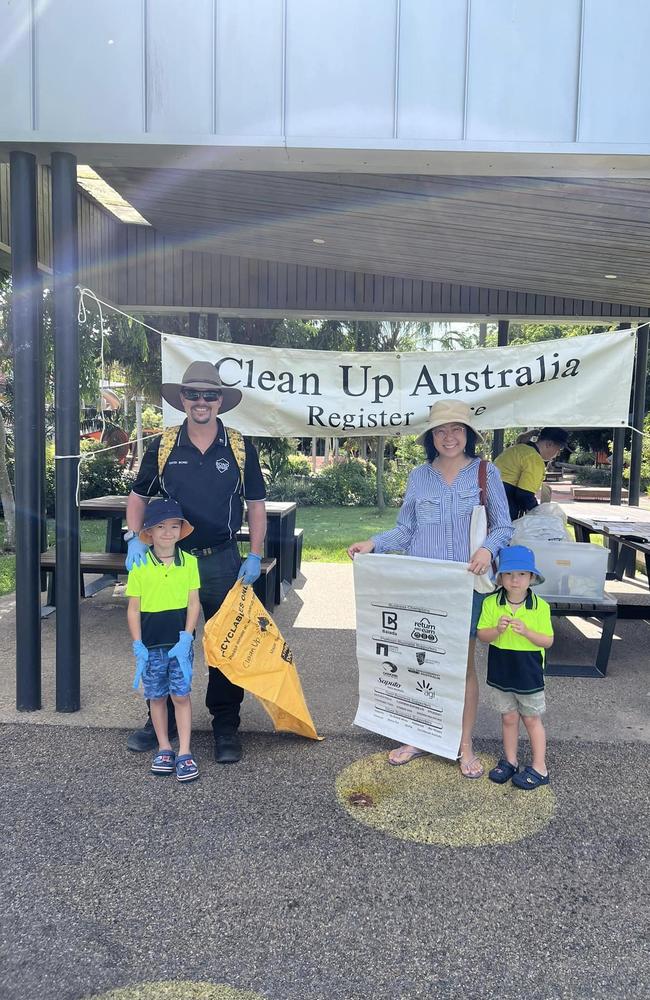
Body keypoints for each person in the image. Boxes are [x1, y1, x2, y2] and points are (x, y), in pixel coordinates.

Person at [347, 400, 512, 777]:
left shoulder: (487, 473)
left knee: (462, 665)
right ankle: (418, 735)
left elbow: (504, 526)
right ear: (431, 437)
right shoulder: (418, 477)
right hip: (424, 588)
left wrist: (488, 548)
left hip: (465, 586)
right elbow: (406, 529)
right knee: (420, 660)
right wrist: (373, 543)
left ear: (468, 434)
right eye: (440, 430)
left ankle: (463, 743)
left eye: (456, 429)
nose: (448, 437)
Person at [124, 360, 267, 764]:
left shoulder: (239, 446)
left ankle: (225, 726)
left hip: (222, 559)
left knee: (225, 643)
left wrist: (254, 554)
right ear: (182, 399)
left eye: (209, 394)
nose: (201, 401)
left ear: (220, 401)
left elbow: (255, 504)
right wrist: (136, 538)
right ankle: (160, 724)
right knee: (165, 642)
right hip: (170, 560)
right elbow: (138, 495)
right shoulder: (165, 444)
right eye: (193, 394)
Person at [127, 498, 201, 781]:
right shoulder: (140, 566)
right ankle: (164, 747)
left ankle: (184, 751)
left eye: (173, 526)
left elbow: (193, 604)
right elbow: (134, 609)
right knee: (156, 697)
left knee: (180, 695)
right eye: (160, 526)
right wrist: (138, 644)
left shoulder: (190, 563)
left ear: (181, 530)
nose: (168, 532)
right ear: (149, 532)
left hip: (178, 646)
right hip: (151, 646)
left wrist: (187, 637)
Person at [476, 545, 553, 790]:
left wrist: (528, 632)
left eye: (521, 574)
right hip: (501, 669)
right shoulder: (491, 603)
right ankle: (510, 761)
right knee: (508, 717)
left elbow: (548, 641)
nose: (515, 579)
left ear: (531, 577)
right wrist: (496, 629)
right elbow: (482, 635)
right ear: (500, 577)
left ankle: (540, 768)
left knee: (531, 718)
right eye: (509, 574)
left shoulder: (540, 606)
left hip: (528, 671)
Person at [494, 427, 570, 521]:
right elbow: (524, 495)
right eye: (558, 449)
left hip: (492, 503)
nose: (558, 454)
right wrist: (540, 516)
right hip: (504, 510)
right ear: (549, 444)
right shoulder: (534, 459)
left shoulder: (518, 449)